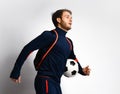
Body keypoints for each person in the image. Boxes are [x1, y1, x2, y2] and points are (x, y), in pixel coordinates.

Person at [10, 9, 90, 94]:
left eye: (71, 18)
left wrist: (82, 71)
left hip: (56, 82)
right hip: (45, 79)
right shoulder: (50, 36)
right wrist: (16, 70)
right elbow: (28, 49)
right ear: (58, 20)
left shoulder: (69, 42)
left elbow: (73, 58)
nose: (71, 19)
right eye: (67, 17)